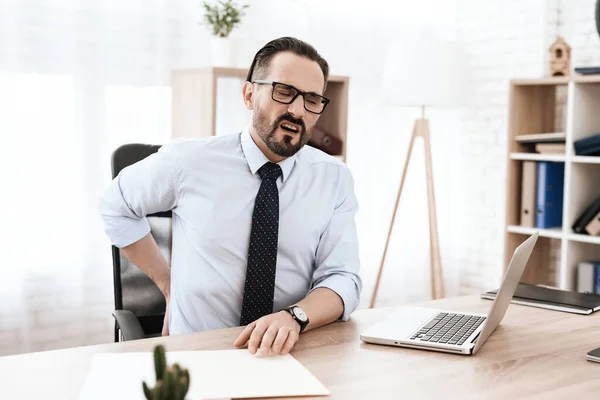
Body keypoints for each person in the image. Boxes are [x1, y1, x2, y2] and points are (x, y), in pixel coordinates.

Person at [98, 36, 362, 357]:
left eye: (312, 99)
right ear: (250, 94)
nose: (297, 110)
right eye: (284, 92)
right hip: (200, 351)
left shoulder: (333, 177)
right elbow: (115, 205)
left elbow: (343, 277)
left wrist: (295, 317)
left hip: (287, 350)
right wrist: (169, 286)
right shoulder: (189, 161)